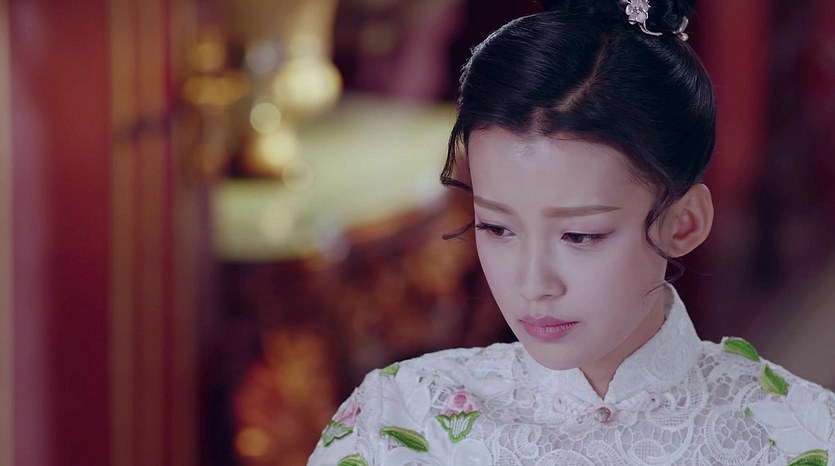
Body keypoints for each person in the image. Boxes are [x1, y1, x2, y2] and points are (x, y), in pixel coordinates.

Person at [308, 0, 835, 464]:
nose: (533, 283)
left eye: (579, 236)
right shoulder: (398, 420)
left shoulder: (800, 436)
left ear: (685, 223)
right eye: (496, 227)